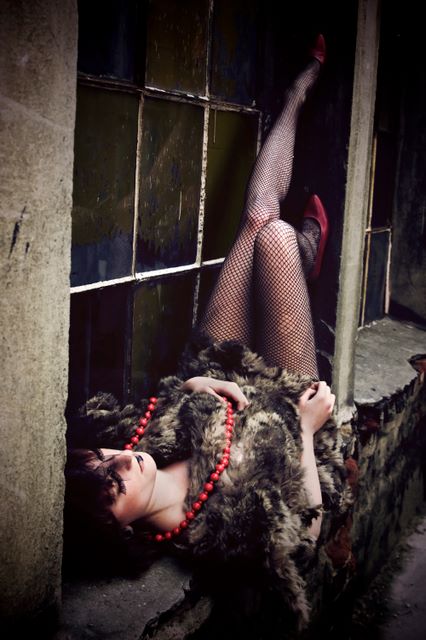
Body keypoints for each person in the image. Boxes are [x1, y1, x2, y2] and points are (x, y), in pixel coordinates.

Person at [64, 35, 351, 629]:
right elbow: (306, 535)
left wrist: (196, 385)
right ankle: (298, 257)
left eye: (106, 457)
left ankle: (297, 95)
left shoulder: (132, 441)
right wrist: (304, 430)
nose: (123, 460)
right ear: (122, 533)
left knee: (258, 218)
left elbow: (163, 401)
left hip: (220, 370)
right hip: (288, 407)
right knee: (275, 238)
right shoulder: (209, 531)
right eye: (114, 483)